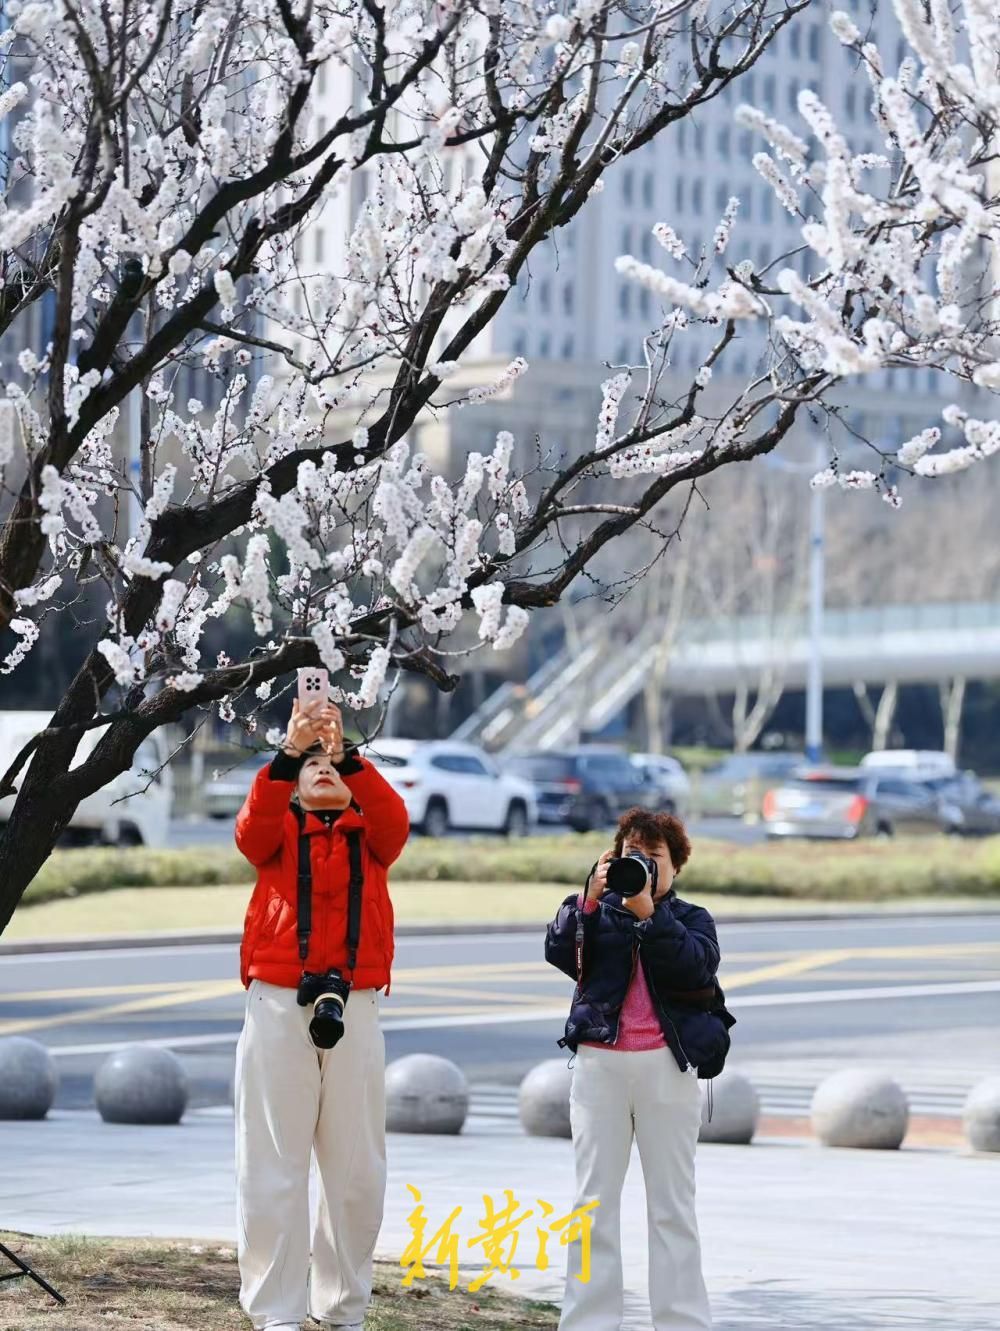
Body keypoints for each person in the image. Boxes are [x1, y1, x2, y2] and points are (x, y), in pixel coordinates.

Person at [233, 698, 409, 1331]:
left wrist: (349, 753)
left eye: (330, 761)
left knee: (356, 1171)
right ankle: (276, 1315)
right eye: (312, 763)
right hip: (280, 1005)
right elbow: (250, 829)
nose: (322, 767)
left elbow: (395, 818)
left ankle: (341, 1311)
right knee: (273, 1166)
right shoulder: (277, 830)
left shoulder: (374, 838)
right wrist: (287, 755)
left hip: (355, 1006)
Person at [544, 806, 733, 1331]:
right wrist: (588, 897)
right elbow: (559, 951)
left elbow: (695, 966)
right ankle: (587, 1322)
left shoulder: (691, 919)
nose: (643, 866)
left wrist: (652, 914)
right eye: (633, 856)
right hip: (599, 1067)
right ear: (613, 858)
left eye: (654, 858)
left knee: (672, 1205)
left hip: (667, 1071)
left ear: (675, 868)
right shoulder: (593, 910)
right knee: (592, 1203)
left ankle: (682, 1322)